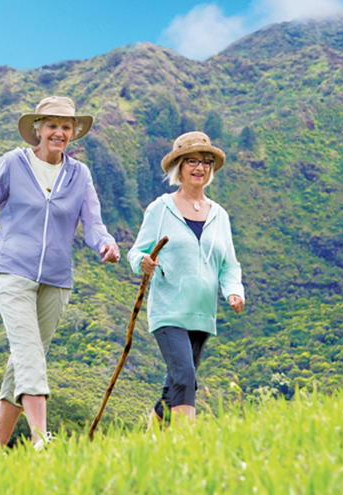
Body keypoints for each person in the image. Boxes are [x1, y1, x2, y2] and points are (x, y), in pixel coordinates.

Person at [0, 96, 121, 453]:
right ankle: (41, 441)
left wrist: (106, 245)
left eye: (66, 127)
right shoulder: (12, 164)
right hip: (12, 274)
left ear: (73, 133)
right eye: (52, 125)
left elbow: (93, 225)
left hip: (57, 281)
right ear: (37, 129)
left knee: (21, 362)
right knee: (30, 355)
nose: (59, 133)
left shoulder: (79, 174)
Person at [127, 131, 245, 426]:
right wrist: (142, 262)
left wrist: (233, 291)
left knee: (177, 385)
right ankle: (186, 446)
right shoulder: (161, 208)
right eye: (192, 161)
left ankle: (148, 439)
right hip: (169, 310)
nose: (200, 168)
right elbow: (137, 251)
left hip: (202, 313)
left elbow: (229, 264)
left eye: (206, 162)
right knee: (185, 376)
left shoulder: (220, 215)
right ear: (178, 167)